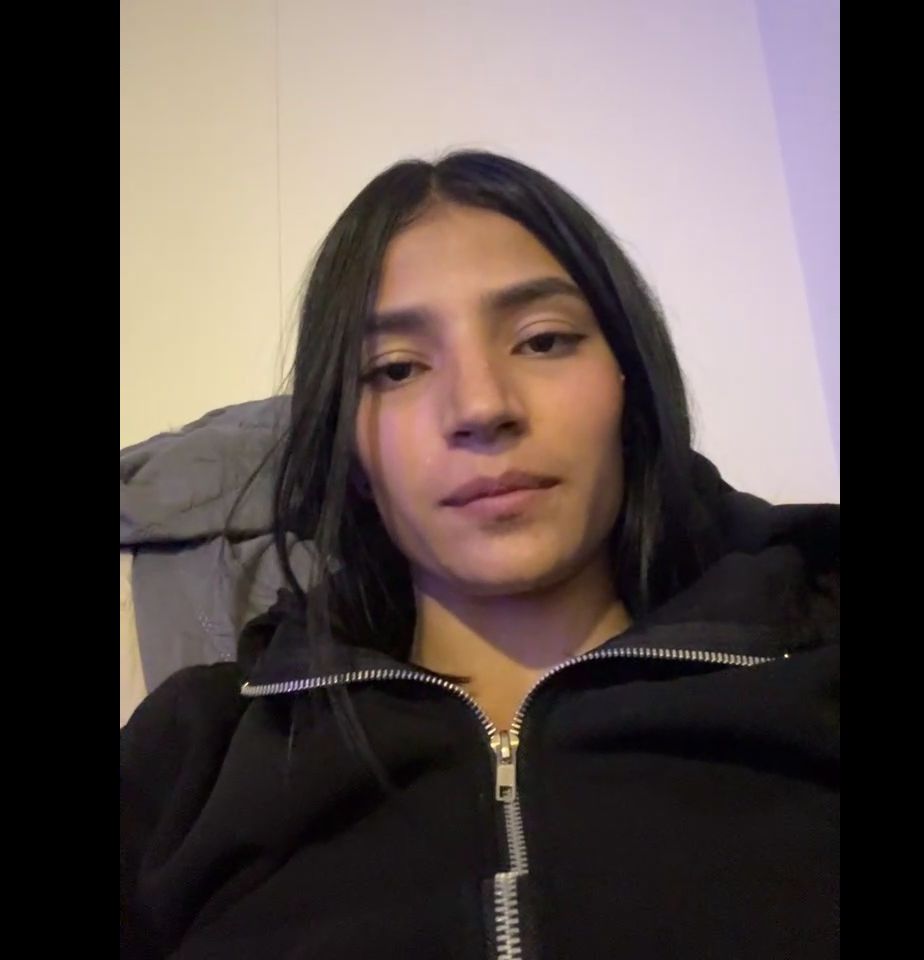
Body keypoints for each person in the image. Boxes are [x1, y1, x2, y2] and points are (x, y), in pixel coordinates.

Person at [120, 151, 839, 959]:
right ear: (348, 451)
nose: (482, 406)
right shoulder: (191, 755)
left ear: (629, 385)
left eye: (543, 341)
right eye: (396, 369)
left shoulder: (815, 671)